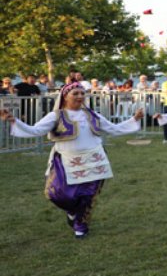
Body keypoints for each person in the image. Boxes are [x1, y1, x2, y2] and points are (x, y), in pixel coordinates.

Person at [1, 82, 144, 238]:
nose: (80, 96)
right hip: (66, 159)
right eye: (75, 93)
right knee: (56, 194)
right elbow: (36, 130)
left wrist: (134, 119)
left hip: (94, 159)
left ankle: (80, 226)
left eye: (82, 93)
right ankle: (71, 211)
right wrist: (14, 121)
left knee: (87, 197)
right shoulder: (56, 115)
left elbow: (114, 129)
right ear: (65, 96)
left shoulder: (92, 115)